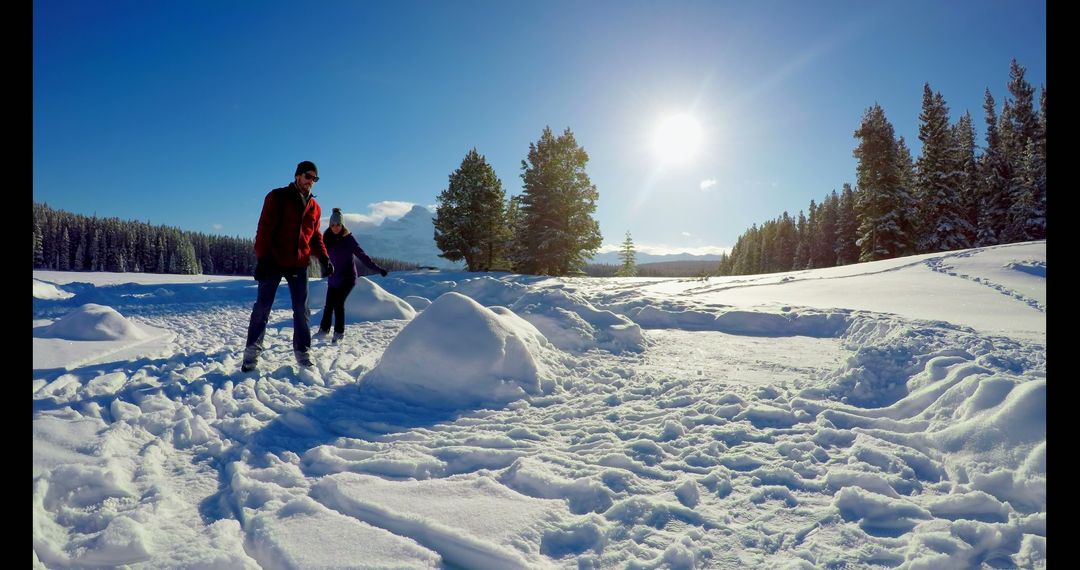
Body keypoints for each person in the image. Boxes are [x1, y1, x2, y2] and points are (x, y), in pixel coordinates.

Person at [241, 160, 332, 371]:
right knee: (262, 308)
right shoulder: (277, 196)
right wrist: (262, 259)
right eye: (307, 176)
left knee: (302, 310)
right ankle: (251, 354)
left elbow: (315, 236)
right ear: (298, 176)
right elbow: (264, 228)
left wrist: (324, 258)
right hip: (273, 260)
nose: (310, 181)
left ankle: (303, 352)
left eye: (314, 179)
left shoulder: (315, 207)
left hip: (298, 263)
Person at [315, 208, 389, 343]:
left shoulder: (349, 239)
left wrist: (378, 269)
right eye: (332, 225)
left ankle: (339, 332)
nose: (335, 227)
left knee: (338, 303)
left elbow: (363, 256)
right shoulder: (326, 239)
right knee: (328, 305)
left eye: (338, 224)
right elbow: (319, 253)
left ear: (342, 225)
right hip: (334, 277)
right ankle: (323, 330)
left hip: (348, 278)